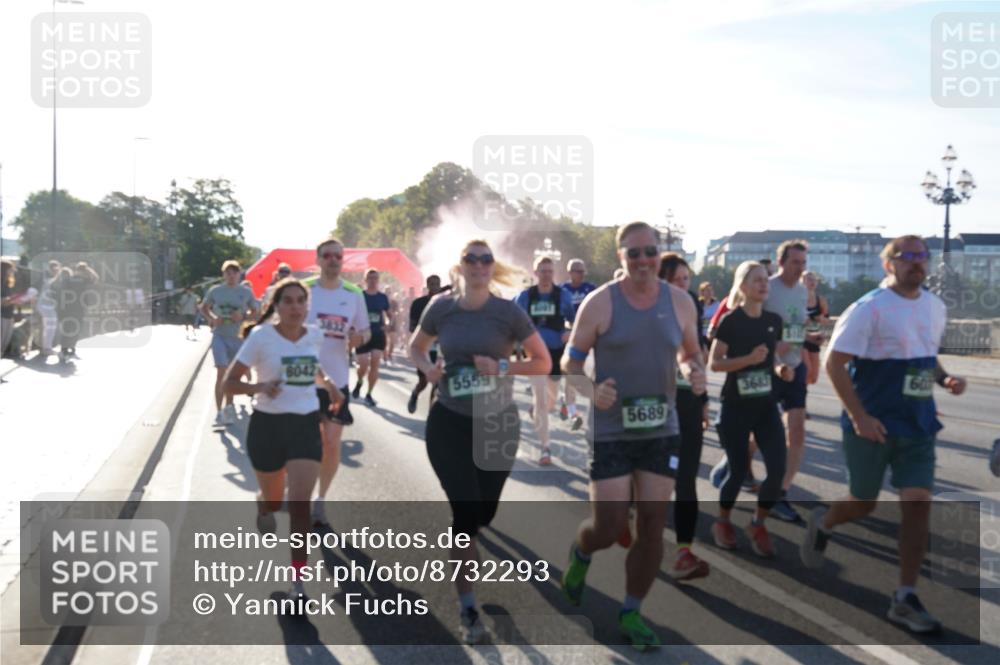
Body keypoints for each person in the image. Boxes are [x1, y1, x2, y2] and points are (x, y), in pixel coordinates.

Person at [801, 235, 967, 634]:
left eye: (921, 256)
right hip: (872, 424)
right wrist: (859, 417)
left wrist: (944, 379)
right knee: (863, 503)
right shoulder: (868, 309)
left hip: (918, 423)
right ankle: (824, 521)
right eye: (906, 257)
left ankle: (905, 596)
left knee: (918, 503)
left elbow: (924, 352)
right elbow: (835, 364)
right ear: (888, 265)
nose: (916, 263)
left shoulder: (935, 306)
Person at [560, 222, 705, 651]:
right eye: (633, 253)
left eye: (650, 252)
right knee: (608, 527)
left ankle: (631, 611)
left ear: (659, 255)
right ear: (620, 257)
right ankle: (582, 552)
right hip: (611, 431)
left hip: (662, 428)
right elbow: (570, 363)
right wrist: (592, 389)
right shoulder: (599, 303)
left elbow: (690, 352)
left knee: (653, 526)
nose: (643, 260)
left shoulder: (679, 302)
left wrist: (693, 371)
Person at [410, 239, 550, 644]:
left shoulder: (508, 313)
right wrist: (427, 370)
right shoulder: (442, 307)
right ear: (462, 265)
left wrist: (503, 365)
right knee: (466, 516)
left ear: (492, 267)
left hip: (497, 423)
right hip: (449, 422)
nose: (478, 265)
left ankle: (471, 534)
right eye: (471, 258)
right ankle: (468, 608)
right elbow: (416, 347)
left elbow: (543, 362)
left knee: (484, 513)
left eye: (485, 259)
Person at [223, 278, 342, 608]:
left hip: (305, 423)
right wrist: (260, 387)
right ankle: (264, 503)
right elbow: (229, 383)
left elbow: (312, 365)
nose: (294, 307)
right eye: (287, 301)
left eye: (300, 301)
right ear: (276, 307)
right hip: (268, 426)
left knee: (301, 504)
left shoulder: (314, 334)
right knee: (276, 502)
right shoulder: (261, 337)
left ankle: (298, 583)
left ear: (307, 306)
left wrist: (329, 384)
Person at [709, 261, 793, 557]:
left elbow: (770, 359)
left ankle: (758, 524)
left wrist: (781, 368)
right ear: (743, 286)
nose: (763, 284)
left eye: (765, 280)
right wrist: (746, 359)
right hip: (735, 406)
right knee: (738, 469)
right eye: (757, 280)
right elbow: (715, 363)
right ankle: (723, 521)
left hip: (765, 405)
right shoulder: (731, 321)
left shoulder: (773, 320)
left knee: (777, 469)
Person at [306, 238, 370, 528]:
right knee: (305, 445)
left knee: (331, 443)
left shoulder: (353, 293)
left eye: (338, 256)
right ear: (318, 259)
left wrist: (359, 338)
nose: (333, 260)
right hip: (302, 380)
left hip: (339, 379)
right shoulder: (305, 291)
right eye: (328, 255)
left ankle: (320, 501)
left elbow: (365, 331)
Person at [659, 253, 711, 580]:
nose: (683, 286)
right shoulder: (646, 310)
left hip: (688, 408)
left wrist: (703, 397)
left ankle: (683, 552)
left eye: (686, 280)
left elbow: (698, 357)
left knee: (686, 480)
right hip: (655, 411)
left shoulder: (691, 306)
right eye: (677, 280)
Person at [763, 240, 819, 523]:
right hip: (770, 369)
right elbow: (753, 324)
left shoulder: (802, 292)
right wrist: (775, 351)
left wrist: (808, 342)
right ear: (781, 261)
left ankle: (780, 492)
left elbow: (797, 326)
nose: (801, 268)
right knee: (759, 431)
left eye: (803, 262)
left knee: (796, 430)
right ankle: (735, 466)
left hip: (794, 368)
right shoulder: (767, 287)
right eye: (795, 262)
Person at [515, 256, 575, 464]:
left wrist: (569, 332)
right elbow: (513, 320)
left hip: (556, 352)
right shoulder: (525, 296)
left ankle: (539, 410)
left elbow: (574, 321)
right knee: (541, 401)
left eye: (550, 271)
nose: (546, 274)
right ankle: (545, 448)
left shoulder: (563, 296)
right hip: (535, 354)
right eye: (542, 271)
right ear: (535, 273)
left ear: (554, 273)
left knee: (549, 403)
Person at [201, 260, 259, 427]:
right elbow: (204, 307)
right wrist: (212, 318)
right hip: (220, 336)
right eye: (228, 272)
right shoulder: (216, 291)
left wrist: (243, 317)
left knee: (232, 377)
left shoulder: (246, 292)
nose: (231, 275)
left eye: (234, 272)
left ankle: (228, 408)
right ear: (223, 274)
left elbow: (255, 312)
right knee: (221, 372)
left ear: (239, 274)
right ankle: (219, 413)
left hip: (237, 338)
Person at [560, 258, 597, 429]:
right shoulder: (562, 290)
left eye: (583, 272)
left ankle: (567, 401)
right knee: (571, 372)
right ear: (570, 272)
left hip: (589, 334)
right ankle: (572, 409)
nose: (581, 275)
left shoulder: (590, 289)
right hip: (570, 335)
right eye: (578, 272)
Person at [407, 274, 447, 414]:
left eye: (437, 283)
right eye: (432, 283)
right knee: (424, 380)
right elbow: (412, 327)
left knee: (438, 382)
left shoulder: (446, 303)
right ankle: (415, 393)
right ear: (427, 285)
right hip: (424, 346)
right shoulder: (418, 303)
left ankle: (432, 413)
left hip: (440, 348)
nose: (435, 286)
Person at [352, 269, 392, 407]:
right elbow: (352, 314)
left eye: (375, 278)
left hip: (378, 334)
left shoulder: (382, 297)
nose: (373, 280)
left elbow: (390, 315)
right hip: (363, 334)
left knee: (375, 363)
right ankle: (359, 382)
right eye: (370, 278)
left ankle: (369, 394)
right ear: (365, 280)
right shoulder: (360, 296)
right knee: (363, 365)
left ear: (378, 280)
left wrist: (387, 324)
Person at [56, 262, 99, 363]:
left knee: (75, 328)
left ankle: (71, 350)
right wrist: (88, 270)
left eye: (83, 271)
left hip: (76, 308)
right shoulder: (71, 279)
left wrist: (87, 269)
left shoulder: (82, 280)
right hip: (70, 308)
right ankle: (64, 350)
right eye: (81, 270)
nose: (82, 272)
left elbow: (95, 279)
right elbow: (95, 278)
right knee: (70, 328)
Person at [801, 271, 829, 386]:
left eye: (814, 280)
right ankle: (799, 395)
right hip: (802, 339)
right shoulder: (798, 299)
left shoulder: (820, 300)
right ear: (802, 282)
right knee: (807, 371)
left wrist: (821, 319)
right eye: (809, 279)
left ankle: (802, 390)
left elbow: (827, 319)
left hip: (815, 338)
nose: (812, 282)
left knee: (813, 378)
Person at [36, 260, 62, 357]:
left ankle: (45, 347)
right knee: (50, 328)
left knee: (47, 327)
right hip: (47, 306)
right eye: (56, 270)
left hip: (45, 305)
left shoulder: (47, 279)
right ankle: (47, 348)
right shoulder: (52, 280)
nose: (57, 272)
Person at [1, 261, 16, 357]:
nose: (13, 271)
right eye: (10, 269)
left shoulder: (7, 283)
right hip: (1, 315)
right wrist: (5, 300)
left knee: (4, 344)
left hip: (9, 314)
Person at [698, 281, 720, 346]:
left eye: (711, 290)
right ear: (702, 292)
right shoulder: (698, 305)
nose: (710, 292)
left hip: (713, 336)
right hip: (701, 337)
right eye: (707, 290)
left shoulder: (717, 304)